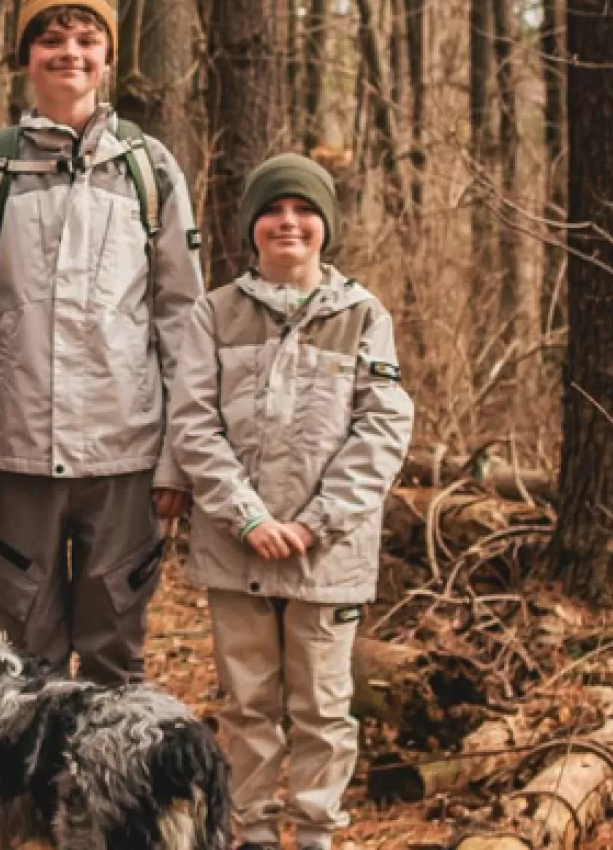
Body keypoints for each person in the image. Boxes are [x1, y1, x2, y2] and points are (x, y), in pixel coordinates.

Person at [0, 0, 204, 685]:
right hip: (15, 461)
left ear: (108, 57)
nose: (70, 53)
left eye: (87, 40)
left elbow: (183, 316)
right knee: (27, 662)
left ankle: (113, 796)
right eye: (51, 39)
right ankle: (38, 796)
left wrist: (181, 455)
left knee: (117, 656)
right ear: (27, 57)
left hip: (126, 458)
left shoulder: (148, 169)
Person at [166, 154, 414, 850]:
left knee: (323, 709)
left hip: (326, 553)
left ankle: (314, 834)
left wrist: (314, 521)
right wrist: (246, 514)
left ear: (325, 224)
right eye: (273, 210)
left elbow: (383, 427)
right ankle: (251, 833)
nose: (288, 222)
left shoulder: (364, 315)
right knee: (247, 705)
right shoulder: (213, 312)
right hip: (234, 544)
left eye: (304, 210)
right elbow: (192, 421)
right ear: (252, 225)